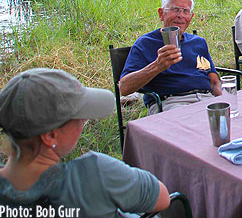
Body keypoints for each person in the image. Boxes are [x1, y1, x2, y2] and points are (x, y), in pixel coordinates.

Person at [0, 68, 170, 215]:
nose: (84, 120)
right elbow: (162, 198)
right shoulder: (97, 173)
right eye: (79, 117)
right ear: (50, 136)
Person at [120, 0, 221, 115]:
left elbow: (213, 80)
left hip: (206, 100)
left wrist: (224, 101)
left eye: (186, 11)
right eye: (175, 9)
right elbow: (124, 88)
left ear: (191, 16)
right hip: (171, 103)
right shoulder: (145, 43)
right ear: (161, 13)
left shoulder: (198, 43)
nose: (181, 15)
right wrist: (158, 65)